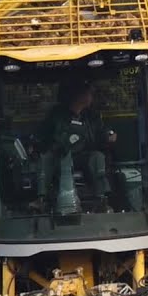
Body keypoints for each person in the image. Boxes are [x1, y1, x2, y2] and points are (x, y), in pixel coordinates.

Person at [32, 78, 116, 212]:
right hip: (59, 155)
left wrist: (109, 135)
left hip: (83, 156)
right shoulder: (56, 114)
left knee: (98, 157)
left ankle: (102, 199)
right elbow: (42, 135)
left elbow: (102, 132)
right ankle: (41, 199)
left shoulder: (91, 115)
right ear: (79, 95)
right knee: (45, 158)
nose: (91, 97)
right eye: (89, 93)